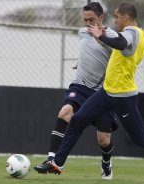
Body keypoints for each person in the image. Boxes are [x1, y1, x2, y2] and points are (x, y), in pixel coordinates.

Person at [41, 2, 144, 184]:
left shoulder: (130, 33)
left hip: (123, 96)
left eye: (116, 17)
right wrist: (134, 52)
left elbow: (121, 43)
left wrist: (103, 37)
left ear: (125, 17)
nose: (115, 21)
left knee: (142, 139)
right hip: (107, 92)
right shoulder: (142, 36)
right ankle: (57, 163)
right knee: (77, 120)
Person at [33, 2, 119, 180]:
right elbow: (89, 53)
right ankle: (51, 159)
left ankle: (106, 162)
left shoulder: (112, 36)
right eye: (85, 20)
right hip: (79, 86)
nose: (88, 23)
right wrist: (80, 63)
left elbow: (117, 60)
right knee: (65, 112)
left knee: (104, 140)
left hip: (101, 93)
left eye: (92, 20)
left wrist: (101, 39)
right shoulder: (82, 33)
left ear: (101, 18)